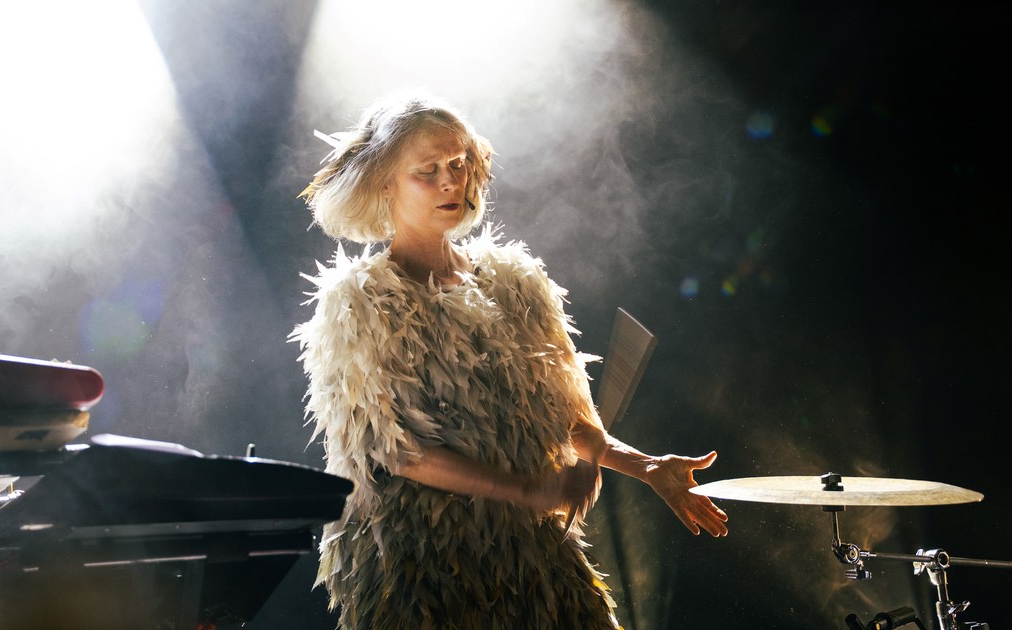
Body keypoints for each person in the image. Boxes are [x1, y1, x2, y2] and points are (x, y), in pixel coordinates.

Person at [291, 92, 728, 629]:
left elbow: (570, 421)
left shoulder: (517, 283)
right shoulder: (359, 303)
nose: (451, 182)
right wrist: (529, 490)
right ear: (384, 182)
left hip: (530, 550)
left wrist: (647, 467)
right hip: (422, 568)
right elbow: (399, 452)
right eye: (427, 171)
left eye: (459, 163)